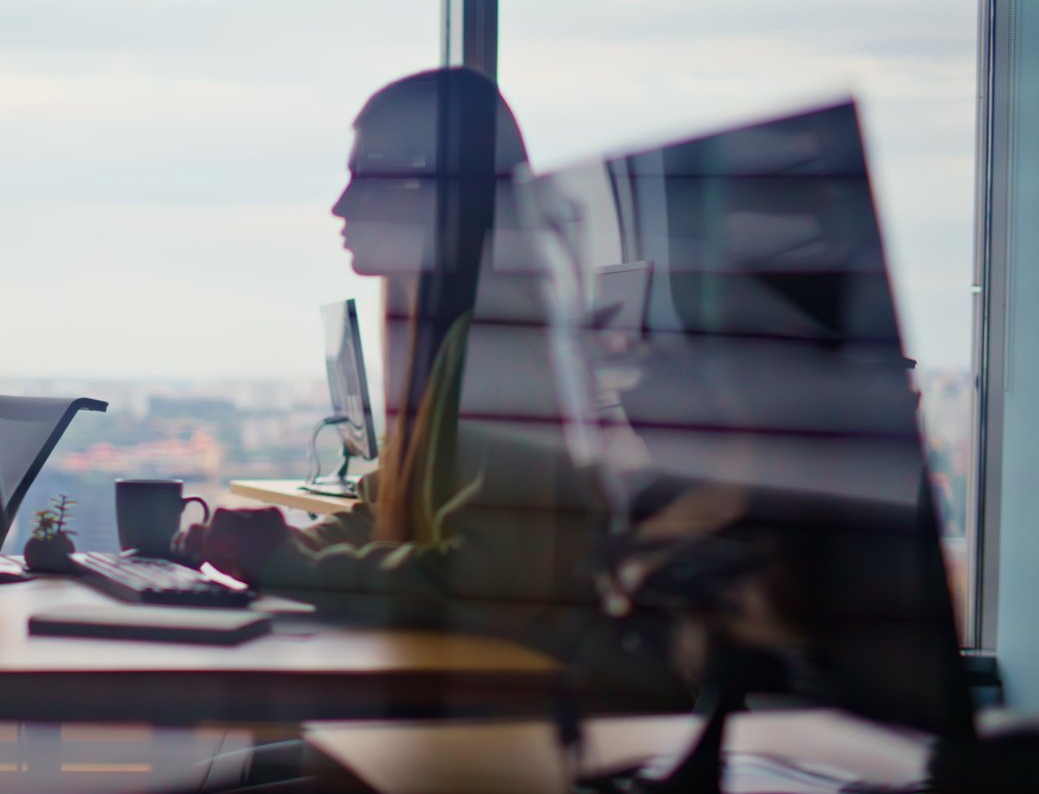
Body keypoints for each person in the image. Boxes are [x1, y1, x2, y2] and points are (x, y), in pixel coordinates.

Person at [182, 68, 682, 715]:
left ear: (433, 188)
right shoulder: (450, 340)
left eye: (366, 176)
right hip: (491, 706)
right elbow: (385, 511)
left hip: (550, 730)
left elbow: (488, 581)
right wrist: (271, 553)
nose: (340, 206)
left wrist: (289, 565)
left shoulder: (499, 348)